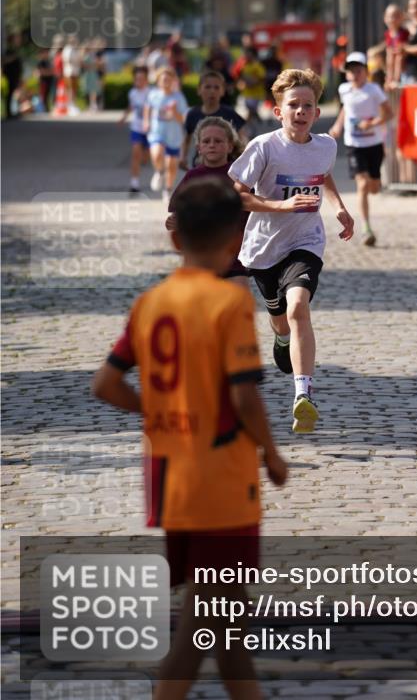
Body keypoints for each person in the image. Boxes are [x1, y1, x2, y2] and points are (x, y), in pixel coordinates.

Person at [92, 177, 288, 700]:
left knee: (223, 617)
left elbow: (106, 383)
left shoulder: (150, 302)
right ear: (236, 241)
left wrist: (157, 408)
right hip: (219, 478)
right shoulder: (228, 304)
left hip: (168, 475)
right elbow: (245, 397)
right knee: (210, 616)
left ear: (176, 239)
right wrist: (271, 452)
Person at [228, 68, 354, 434]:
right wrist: (280, 206)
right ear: (278, 111)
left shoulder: (326, 146)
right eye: (293, 105)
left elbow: (324, 174)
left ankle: (303, 395)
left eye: (308, 106)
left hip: (306, 241)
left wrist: (339, 208)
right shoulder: (264, 147)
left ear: (317, 112)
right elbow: (236, 193)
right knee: (280, 316)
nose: (300, 111)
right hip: (264, 248)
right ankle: (281, 336)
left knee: (299, 306)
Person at [167, 117, 248, 289]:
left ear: (230, 146)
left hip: (235, 256)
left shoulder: (241, 174)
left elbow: (256, 206)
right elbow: (177, 212)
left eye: (218, 141)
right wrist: (174, 221)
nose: (212, 145)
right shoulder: (192, 177)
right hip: (200, 258)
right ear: (199, 148)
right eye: (206, 141)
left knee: (236, 302)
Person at [329, 52, 392, 248]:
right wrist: (338, 125)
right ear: (346, 74)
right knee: (362, 184)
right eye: (351, 71)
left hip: (373, 143)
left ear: (366, 71)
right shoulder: (344, 89)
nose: (355, 74)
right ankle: (366, 228)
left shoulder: (373, 90)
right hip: (354, 145)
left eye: (358, 70)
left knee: (373, 187)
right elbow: (346, 109)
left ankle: (376, 182)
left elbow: (389, 113)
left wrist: (372, 123)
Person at [181, 70, 246, 169]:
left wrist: (244, 158)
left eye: (216, 87)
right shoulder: (192, 114)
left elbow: (242, 138)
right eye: (207, 87)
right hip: (200, 162)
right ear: (199, 90)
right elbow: (186, 139)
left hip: (226, 164)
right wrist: (183, 157)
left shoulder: (230, 113)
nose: (212, 91)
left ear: (223, 91)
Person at [144, 67, 189, 200]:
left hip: (173, 136)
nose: (166, 83)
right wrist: (146, 121)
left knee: (171, 164)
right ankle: (159, 172)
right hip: (157, 132)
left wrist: (174, 111)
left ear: (173, 81)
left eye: (169, 80)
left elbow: (183, 119)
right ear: (158, 81)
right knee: (157, 153)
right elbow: (148, 107)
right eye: (163, 80)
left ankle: (168, 189)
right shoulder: (153, 94)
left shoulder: (178, 97)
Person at [118, 65, 150, 193]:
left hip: (150, 129)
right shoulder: (132, 93)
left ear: (146, 80)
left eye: (141, 79)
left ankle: (146, 156)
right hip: (136, 127)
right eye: (136, 79)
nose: (139, 81)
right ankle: (134, 183)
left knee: (146, 158)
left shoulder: (151, 93)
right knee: (135, 153)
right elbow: (131, 107)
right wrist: (123, 117)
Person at [237, 47, 267, 126]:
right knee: (252, 109)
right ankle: (259, 122)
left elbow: (262, 77)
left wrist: (253, 82)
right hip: (247, 92)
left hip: (256, 93)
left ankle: (245, 124)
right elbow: (241, 77)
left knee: (251, 109)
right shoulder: (244, 66)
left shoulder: (257, 65)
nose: (247, 56)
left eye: (248, 54)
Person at [383, 3, 410, 88]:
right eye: (390, 16)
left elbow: (401, 54)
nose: (393, 20)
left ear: (402, 18)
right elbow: (389, 57)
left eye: (396, 16)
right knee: (389, 56)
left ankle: (396, 80)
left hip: (403, 68)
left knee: (399, 56)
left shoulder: (404, 33)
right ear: (385, 18)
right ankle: (389, 79)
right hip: (392, 65)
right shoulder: (388, 34)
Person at [36, 47, 54, 112]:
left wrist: (50, 72)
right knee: (43, 95)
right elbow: (41, 72)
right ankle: (44, 109)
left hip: (49, 80)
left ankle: (47, 108)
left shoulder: (48, 61)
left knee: (48, 94)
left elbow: (52, 70)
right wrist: (50, 72)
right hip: (43, 81)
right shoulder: (41, 62)